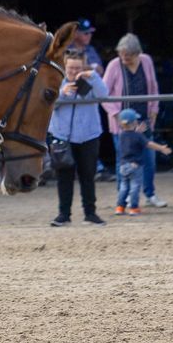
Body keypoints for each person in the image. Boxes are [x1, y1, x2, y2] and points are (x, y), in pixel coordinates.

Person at [101, 35, 164, 206]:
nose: (124, 58)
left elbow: (153, 87)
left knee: (149, 158)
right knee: (124, 160)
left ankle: (150, 194)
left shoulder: (146, 61)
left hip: (144, 120)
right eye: (121, 54)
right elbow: (103, 93)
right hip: (122, 123)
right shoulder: (114, 65)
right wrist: (116, 115)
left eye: (128, 55)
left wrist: (154, 110)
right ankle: (124, 196)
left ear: (137, 53)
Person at [47, 51, 107, 226]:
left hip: (88, 135)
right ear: (64, 67)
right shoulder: (56, 81)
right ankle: (63, 215)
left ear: (84, 67)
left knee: (88, 176)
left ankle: (90, 213)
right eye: (71, 68)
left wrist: (93, 76)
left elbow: (104, 96)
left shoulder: (91, 80)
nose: (74, 71)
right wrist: (61, 93)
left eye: (78, 68)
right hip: (62, 136)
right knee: (64, 177)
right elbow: (47, 104)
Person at [113, 109, 169, 215]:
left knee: (124, 186)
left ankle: (120, 207)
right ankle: (134, 208)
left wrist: (136, 131)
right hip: (135, 165)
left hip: (123, 165)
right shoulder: (138, 136)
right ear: (134, 122)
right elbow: (148, 144)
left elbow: (131, 137)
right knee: (135, 187)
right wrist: (161, 148)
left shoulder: (122, 135)